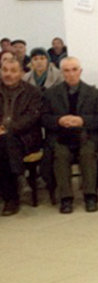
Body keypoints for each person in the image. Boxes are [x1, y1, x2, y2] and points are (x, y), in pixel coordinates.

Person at [41, 57, 98, 214]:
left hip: (86, 136)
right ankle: (66, 198)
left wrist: (82, 120)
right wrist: (59, 120)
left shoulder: (94, 93)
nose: (71, 74)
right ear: (62, 73)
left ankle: (90, 195)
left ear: (80, 71)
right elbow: (43, 118)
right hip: (60, 137)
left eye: (74, 69)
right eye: (67, 70)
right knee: (61, 154)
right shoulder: (50, 94)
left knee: (88, 152)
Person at [0, 59, 42, 216]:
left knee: (6, 141)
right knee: (3, 143)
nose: (8, 74)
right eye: (5, 70)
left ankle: (11, 198)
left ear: (21, 73)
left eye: (13, 71)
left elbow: (31, 117)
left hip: (26, 137)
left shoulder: (33, 92)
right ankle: (18, 177)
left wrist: (7, 129)